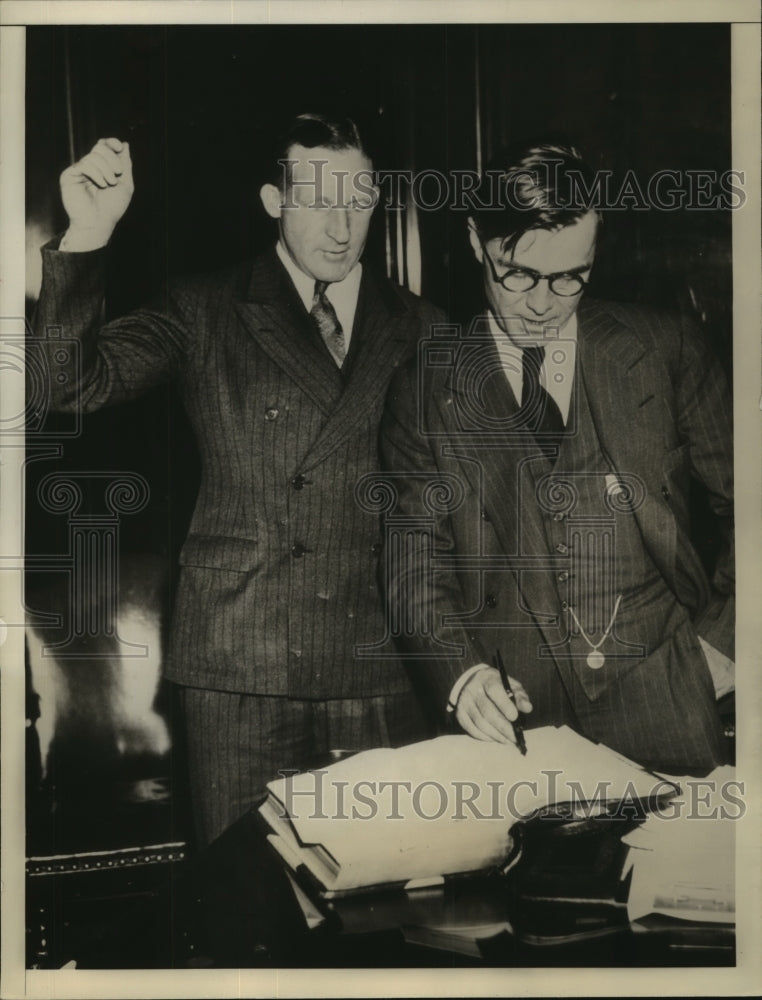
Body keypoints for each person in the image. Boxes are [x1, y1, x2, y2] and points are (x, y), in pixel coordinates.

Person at [32, 113, 444, 845]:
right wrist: (89, 234)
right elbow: (68, 387)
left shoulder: (425, 328)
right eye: (317, 198)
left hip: (378, 666)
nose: (341, 224)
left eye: (358, 197)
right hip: (239, 669)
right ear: (272, 200)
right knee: (244, 909)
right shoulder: (201, 308)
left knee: (385, 911)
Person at [380, 140, 734, 775]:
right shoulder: (423, 386)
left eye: (570, 276)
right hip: (514, 719)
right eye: (516, 273)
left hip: (668, 697)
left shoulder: (664, 347)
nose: (542, 303)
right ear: (473, 240)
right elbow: (413, 558)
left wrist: (724, 644)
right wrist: (461, 676)